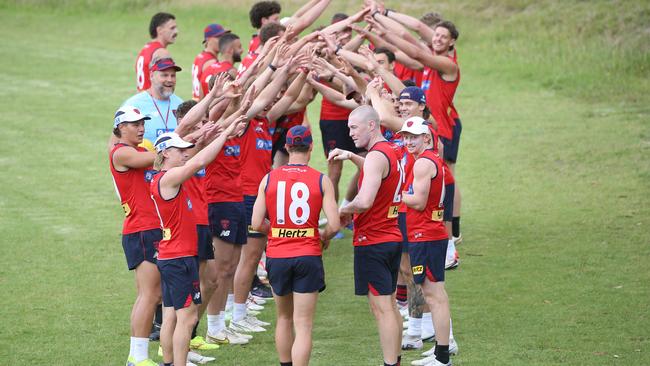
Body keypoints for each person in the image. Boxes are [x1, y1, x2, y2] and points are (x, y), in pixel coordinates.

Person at [151, 119, 242, 366]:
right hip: (179, 258)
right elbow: (200, 161)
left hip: (174, 256)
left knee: (171, 315)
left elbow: (196, 155)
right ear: (165, 153)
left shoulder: (166, 179)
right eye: (179, 150)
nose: (184, 154)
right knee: (188, 318)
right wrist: (226, 135)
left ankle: (169, 362)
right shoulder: (168, 179)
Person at [251, 126, 340, 366]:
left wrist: (278, 232)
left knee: (283, 318)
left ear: (287, 147)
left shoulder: (269, 178)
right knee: (304, 324)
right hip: (308, 254)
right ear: (311, 147)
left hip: (278, 255)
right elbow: (334, 224)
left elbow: (256, 222)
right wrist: (323, 236)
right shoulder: (321, 180)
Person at [329, 105, 404, 366]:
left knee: (382, 309)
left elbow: (364, 200)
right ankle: (395, 360)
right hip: (391, 236)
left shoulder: (376, 156)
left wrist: (340, 210)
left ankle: (389, 363)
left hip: (373, 240)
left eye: (353, 127)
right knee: (391, 306)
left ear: (371, 125)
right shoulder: (390, 151)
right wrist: (351, 156)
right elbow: (378, 171)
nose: (350, 133)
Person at [399, 117, 453, 366]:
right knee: (433, 294)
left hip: (426, 234)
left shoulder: (423, 163)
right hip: (429, 233)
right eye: (406, 136)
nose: (408, 141)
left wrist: (397, 194)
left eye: (413, 136)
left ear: (426, 138)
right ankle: (440, 352)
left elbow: (418, 202)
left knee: (434, 296)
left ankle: (443, 355)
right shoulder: (430, 160)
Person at [109, 106, 160, 366]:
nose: (141, 127)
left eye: (142, 123)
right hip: (142, 229)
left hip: (150, 228)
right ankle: (137, 357)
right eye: (134, 124)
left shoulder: (139, 151)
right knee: (148, 294)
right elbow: (155, 159)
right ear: (120, 127)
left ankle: (152, 353)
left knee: (154, 293)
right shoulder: (122, 153)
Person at [123, 57, 184, 149]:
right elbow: (116, 143)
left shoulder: (181, 105)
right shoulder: (133, 105)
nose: (170, 80)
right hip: (143, 162)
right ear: (151, 76)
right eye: (164, 75)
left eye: (173, 75)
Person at [136, 12, 177, 92]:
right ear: (159, 30)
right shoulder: (161, 53)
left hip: (141, 98)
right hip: (152, 101)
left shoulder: (145, 49)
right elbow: (167, 85)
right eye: (172, 28)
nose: (176, 32)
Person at [192, 23, 230, 100]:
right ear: (208, 39)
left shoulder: (200, 56)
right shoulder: (211, 63)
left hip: (196, 102)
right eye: (219, 37)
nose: (222, 41)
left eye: (223, 37)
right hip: (202, 104)